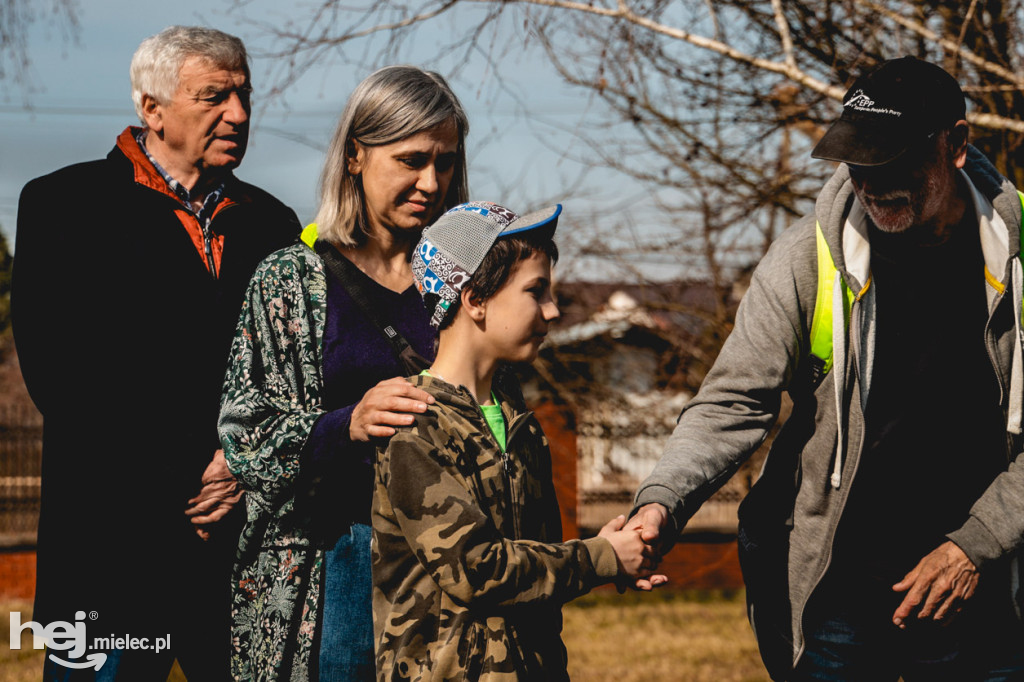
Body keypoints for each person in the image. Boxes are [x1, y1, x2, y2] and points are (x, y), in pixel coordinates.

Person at [628, 56, 1024, 680]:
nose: (874, 181)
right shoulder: (805, 260)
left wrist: (975, 546)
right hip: (836, 599)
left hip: (982, 593)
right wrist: (662, 502)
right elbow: (732, 403)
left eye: (896, 160)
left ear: (956, 145)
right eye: (859, 160)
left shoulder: (1018, 260)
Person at [12, 25, 300, 680]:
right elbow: (63, 376)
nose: (239, 114)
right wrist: (182, 479)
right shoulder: (63, 206)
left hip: (242, 552)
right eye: (214, 97)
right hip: (112, 548)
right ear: (152, 108)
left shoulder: (271, 222)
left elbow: (289, 373)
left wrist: (238, 464)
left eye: (244, 95)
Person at [218, 65, 469, 681]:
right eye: (411, 160)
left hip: (452, 560)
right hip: (335, 562)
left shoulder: (463, 286)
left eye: (445, 162)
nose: (431, 182)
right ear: (355, 156)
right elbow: (244, 434)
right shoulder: (291, 279)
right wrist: (346, 425)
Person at [372, 200, 663, 680]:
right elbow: (477, 570)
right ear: (474, 300)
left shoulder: (520, 423)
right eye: (536, 291)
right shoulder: (416, 425)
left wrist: (612, 555)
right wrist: (600, 556)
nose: (552, 310)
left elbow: (538, 565)